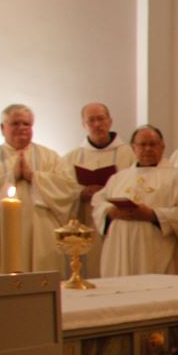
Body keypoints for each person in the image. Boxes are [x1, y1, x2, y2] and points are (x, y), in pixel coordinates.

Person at [0, 104, 81, 275]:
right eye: (15, 123)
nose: (22, 128)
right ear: (2, 128)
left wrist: (33, 177)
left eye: (26, 124)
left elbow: (69, 187)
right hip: (0, 234)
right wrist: (9, 177)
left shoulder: (50, 157)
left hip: (41, 235)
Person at [92, 125, 178, 276]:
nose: (147, 149)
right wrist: (110, 212)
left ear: (162, 147)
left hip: (157, 248)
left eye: (152, 144)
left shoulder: (176, 178)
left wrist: (154, 215)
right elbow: (98, 202)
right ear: (133, 148)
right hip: (121, 247)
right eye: (142, 144)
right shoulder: (118, 178)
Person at [65, 101, 135, 278]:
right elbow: (60, 191)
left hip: (116, 223)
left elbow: (137, 186)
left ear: (110, 121)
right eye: (91, 120)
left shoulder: (129, 153)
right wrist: (80, 192)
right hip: (85, 223)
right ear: (84, 125)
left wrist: (108, 192)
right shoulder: (71, 157)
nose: (97, 124)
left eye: (101, 119)